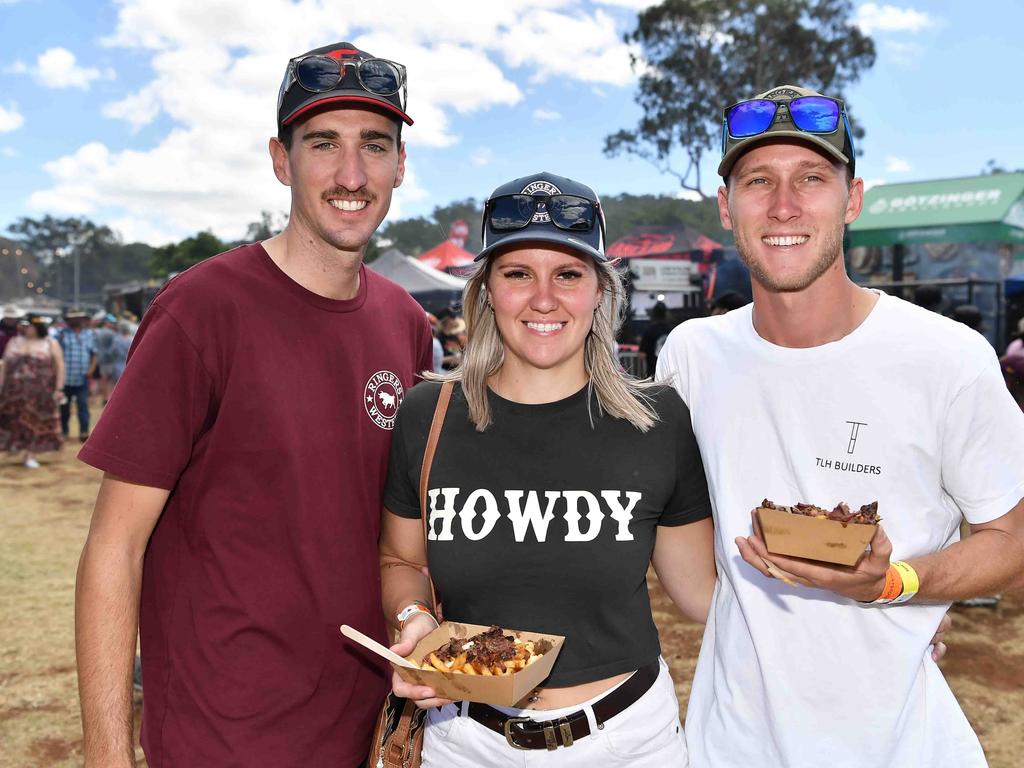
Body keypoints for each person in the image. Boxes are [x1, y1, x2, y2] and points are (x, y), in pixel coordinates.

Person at [74, 41, 432, 767]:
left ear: (401, 165)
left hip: (365, 726)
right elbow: (114, 548)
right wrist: (108, 755)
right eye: (323, 144)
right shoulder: (202, 311)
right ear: (280, 159)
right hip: (226, 733)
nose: (352, 174)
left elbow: (397, 530)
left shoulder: (406, 323)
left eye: (375, 145)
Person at [656, 84, 1024, 768]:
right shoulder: (691, 356)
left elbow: (1011, 537)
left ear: (852, 200)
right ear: (726, 208)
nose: (784, 205)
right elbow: (673, 529)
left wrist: (895, 588)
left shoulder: (946, 358)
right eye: (758, 180)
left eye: (813, 179)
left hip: (902, 748)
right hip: (729, 746)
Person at [378, 172, 717, 767]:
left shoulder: (657, 420)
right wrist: (414, 618)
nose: (543, 298)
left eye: (567, 274)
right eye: (517, 274)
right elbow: (401, 559)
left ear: (600, 292)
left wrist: (863, 621)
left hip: (625, 742)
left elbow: (703, 594)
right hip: (464, 742)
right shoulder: (428, 415)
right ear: (485, 292)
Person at [0, 314, 64, 467]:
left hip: (40, 393)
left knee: (36, 422)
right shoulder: (14, 341)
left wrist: (59, 388)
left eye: (28, 326)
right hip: (13, 393)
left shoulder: (50, 343)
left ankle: (31, 454)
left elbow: (59, 366)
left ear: (37, 327)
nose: (25, 328)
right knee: (12, 421)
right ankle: (15, 446)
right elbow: (5, 365)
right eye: (24, 325)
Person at [57, 308, 97, 441]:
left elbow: (94, 354)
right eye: (73, 318)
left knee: (83, 405)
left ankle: (84, 432)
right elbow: (56, 356)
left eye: (79, 317)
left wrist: (91, 369)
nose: (76, 320)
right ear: (69, 320)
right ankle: (64, 431)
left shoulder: (90, 334)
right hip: (65, 378)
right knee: (64, 408)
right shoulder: (61, 335)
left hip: (82, 377)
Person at [638, 300, 671, 374]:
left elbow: (642, 354)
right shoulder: (671, 330)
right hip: (668, 371)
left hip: (653, 370)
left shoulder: (649, 330)